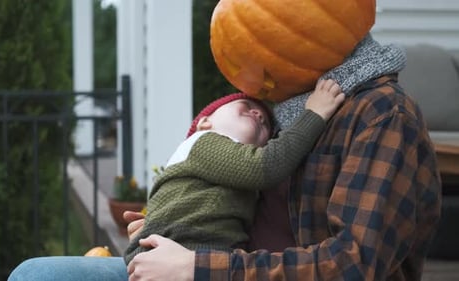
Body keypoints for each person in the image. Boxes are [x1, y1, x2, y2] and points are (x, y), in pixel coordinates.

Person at [125, 33, 442, 280]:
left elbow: (353, 265)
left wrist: (197, 267)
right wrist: (171, 224)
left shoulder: (382, 115)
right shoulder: (285, 113)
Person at [125, 79, 345, 264]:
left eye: (267, 125)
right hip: (176, 254)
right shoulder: (203, 142)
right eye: (245, 106)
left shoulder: (235, 173)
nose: (258, 114)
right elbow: (266, 165)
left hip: (199, 259)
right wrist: (314, 113)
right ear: (204, 122)